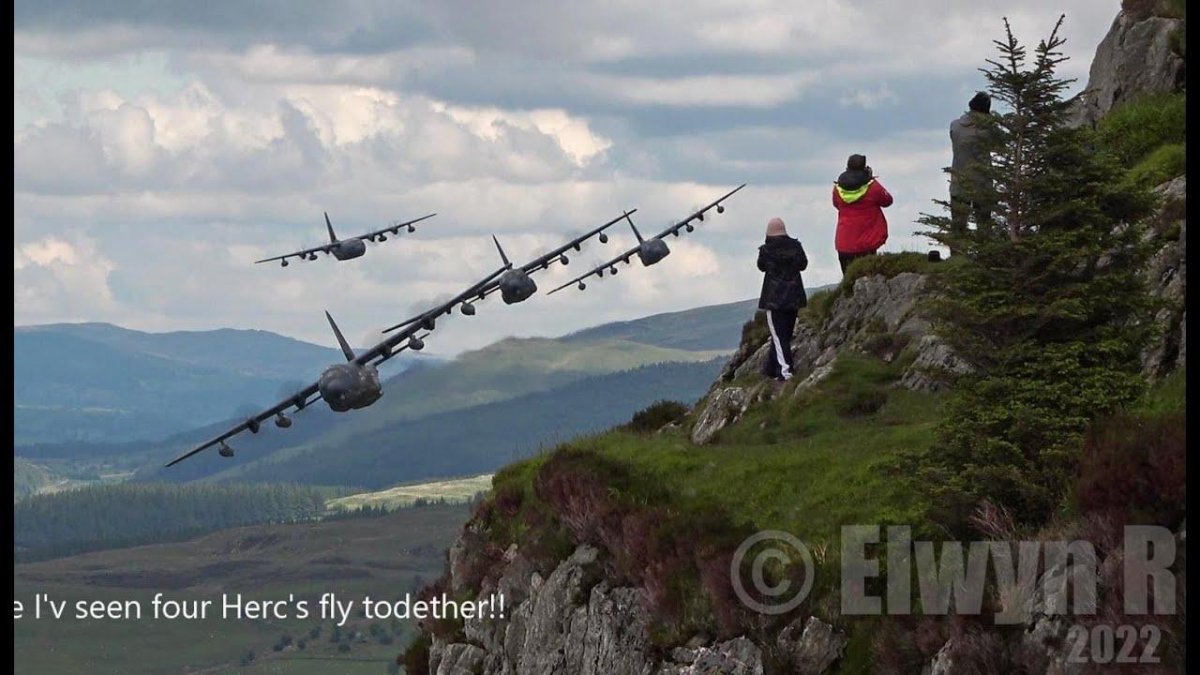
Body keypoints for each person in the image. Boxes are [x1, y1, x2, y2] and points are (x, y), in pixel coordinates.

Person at [756, 217, 808, 382]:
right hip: (794, 298)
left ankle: (785, 372)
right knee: (784, 334)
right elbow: (803, 264)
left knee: (779, 336)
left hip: (774, 300)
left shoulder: (766, 250)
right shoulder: (796, 246)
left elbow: (761, 266)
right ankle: (770, 368)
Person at [832, 154, 892, 274]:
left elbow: (836, 205)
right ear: (864, 167)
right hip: (867, 243)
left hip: (844, 243)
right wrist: (871, 179)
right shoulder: (872, 187)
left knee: (849, 283)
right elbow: (887, 201)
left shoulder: (838, 189)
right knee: (868, 281)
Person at [949, 91, 995, 238]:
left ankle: (957, 257)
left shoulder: (955, 126)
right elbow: (998, 142)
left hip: (958, 181)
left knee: (958, 225)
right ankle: (985, 256)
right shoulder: (987, 129)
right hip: (982, 183)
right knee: (984, 224)